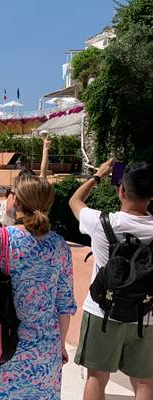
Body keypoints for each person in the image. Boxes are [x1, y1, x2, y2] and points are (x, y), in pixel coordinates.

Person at [0, 173, 77, 399]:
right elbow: (65, 302)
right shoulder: (59, 245)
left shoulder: (2, 238)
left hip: (5, 343)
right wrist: (60, 344)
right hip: (45, 348)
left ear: (18, 202)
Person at [69, 160, 153, 400]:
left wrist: (98, 176)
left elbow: (74, 201)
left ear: (121, 190)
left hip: (102, 312)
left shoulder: (100, 223)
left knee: (96, 378)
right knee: (145, 382)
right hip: (145, 315)